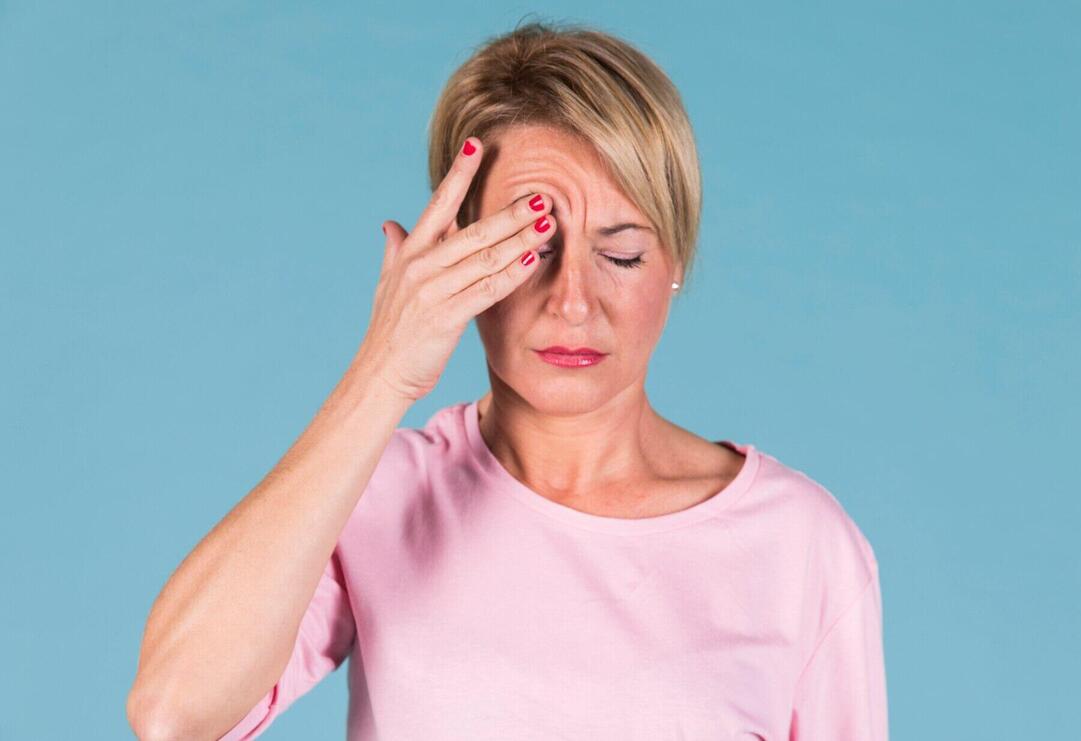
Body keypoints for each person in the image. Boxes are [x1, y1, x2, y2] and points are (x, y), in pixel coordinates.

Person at [126, 20, 887, 741]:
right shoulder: (379, 494)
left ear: (676, 260)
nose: (573, 301)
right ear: (456, 252)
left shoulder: (799, 547)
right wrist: (381, 372)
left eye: (620, 254)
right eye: (528, 247)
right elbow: (172, 712)